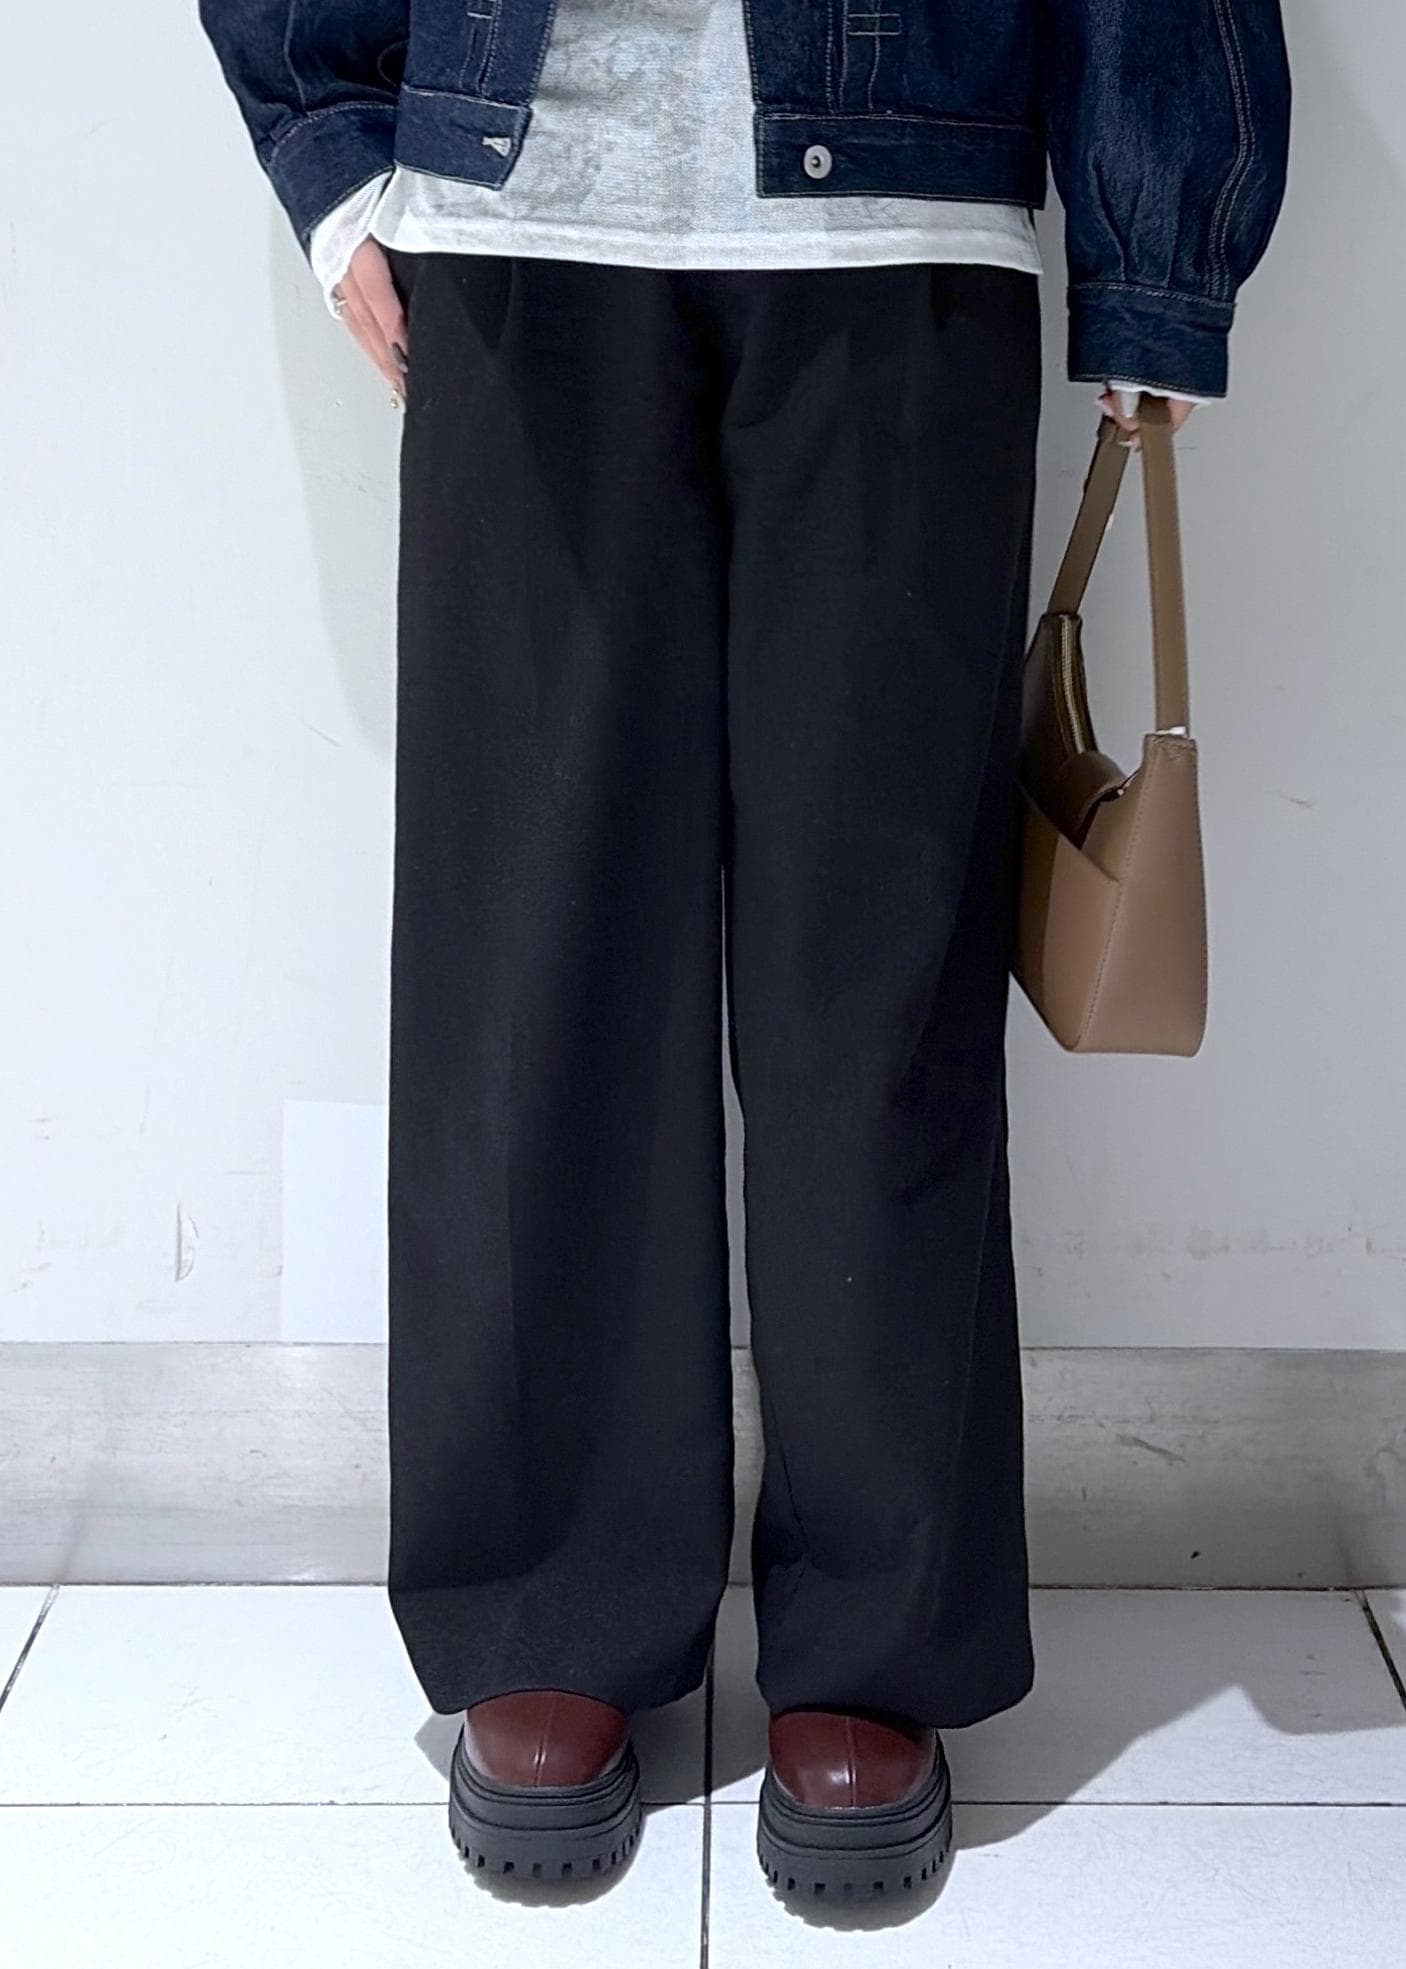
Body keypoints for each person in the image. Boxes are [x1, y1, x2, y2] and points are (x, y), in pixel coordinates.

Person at [199, 0, 1290, 1904]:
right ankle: (549, 1591)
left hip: (904, 218)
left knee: (874, 981)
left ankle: (876, 1625)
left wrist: (1156, 238)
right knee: (535, 965)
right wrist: (330, 143)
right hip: (520, 208)